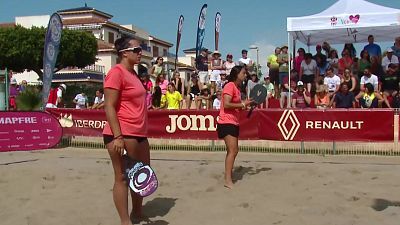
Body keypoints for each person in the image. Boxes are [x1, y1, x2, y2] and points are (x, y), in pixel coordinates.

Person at [103, 36, 150, 225]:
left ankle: (137, 214)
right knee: (122, 177)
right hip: (122, 132)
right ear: (124, 53)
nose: (141, 53)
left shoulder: (133, 74)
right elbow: (109, 106)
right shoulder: (116, 73)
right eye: (137, 50)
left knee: (140, 175)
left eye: (141, 50)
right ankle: (125, 221)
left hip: (139, 133)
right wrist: (118, 136)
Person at [217, 65, 253, 189]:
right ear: (236, 74)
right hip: (226, 122)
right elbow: (226, 104)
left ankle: (228, 177)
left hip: (233, 121)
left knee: (232, 151)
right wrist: (243, 104)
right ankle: (227, 180)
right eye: (243, 73)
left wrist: (244, 106)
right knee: (233, 151)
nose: (245, 75)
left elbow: (235, 106)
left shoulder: (236, 89)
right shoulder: (229, 86)